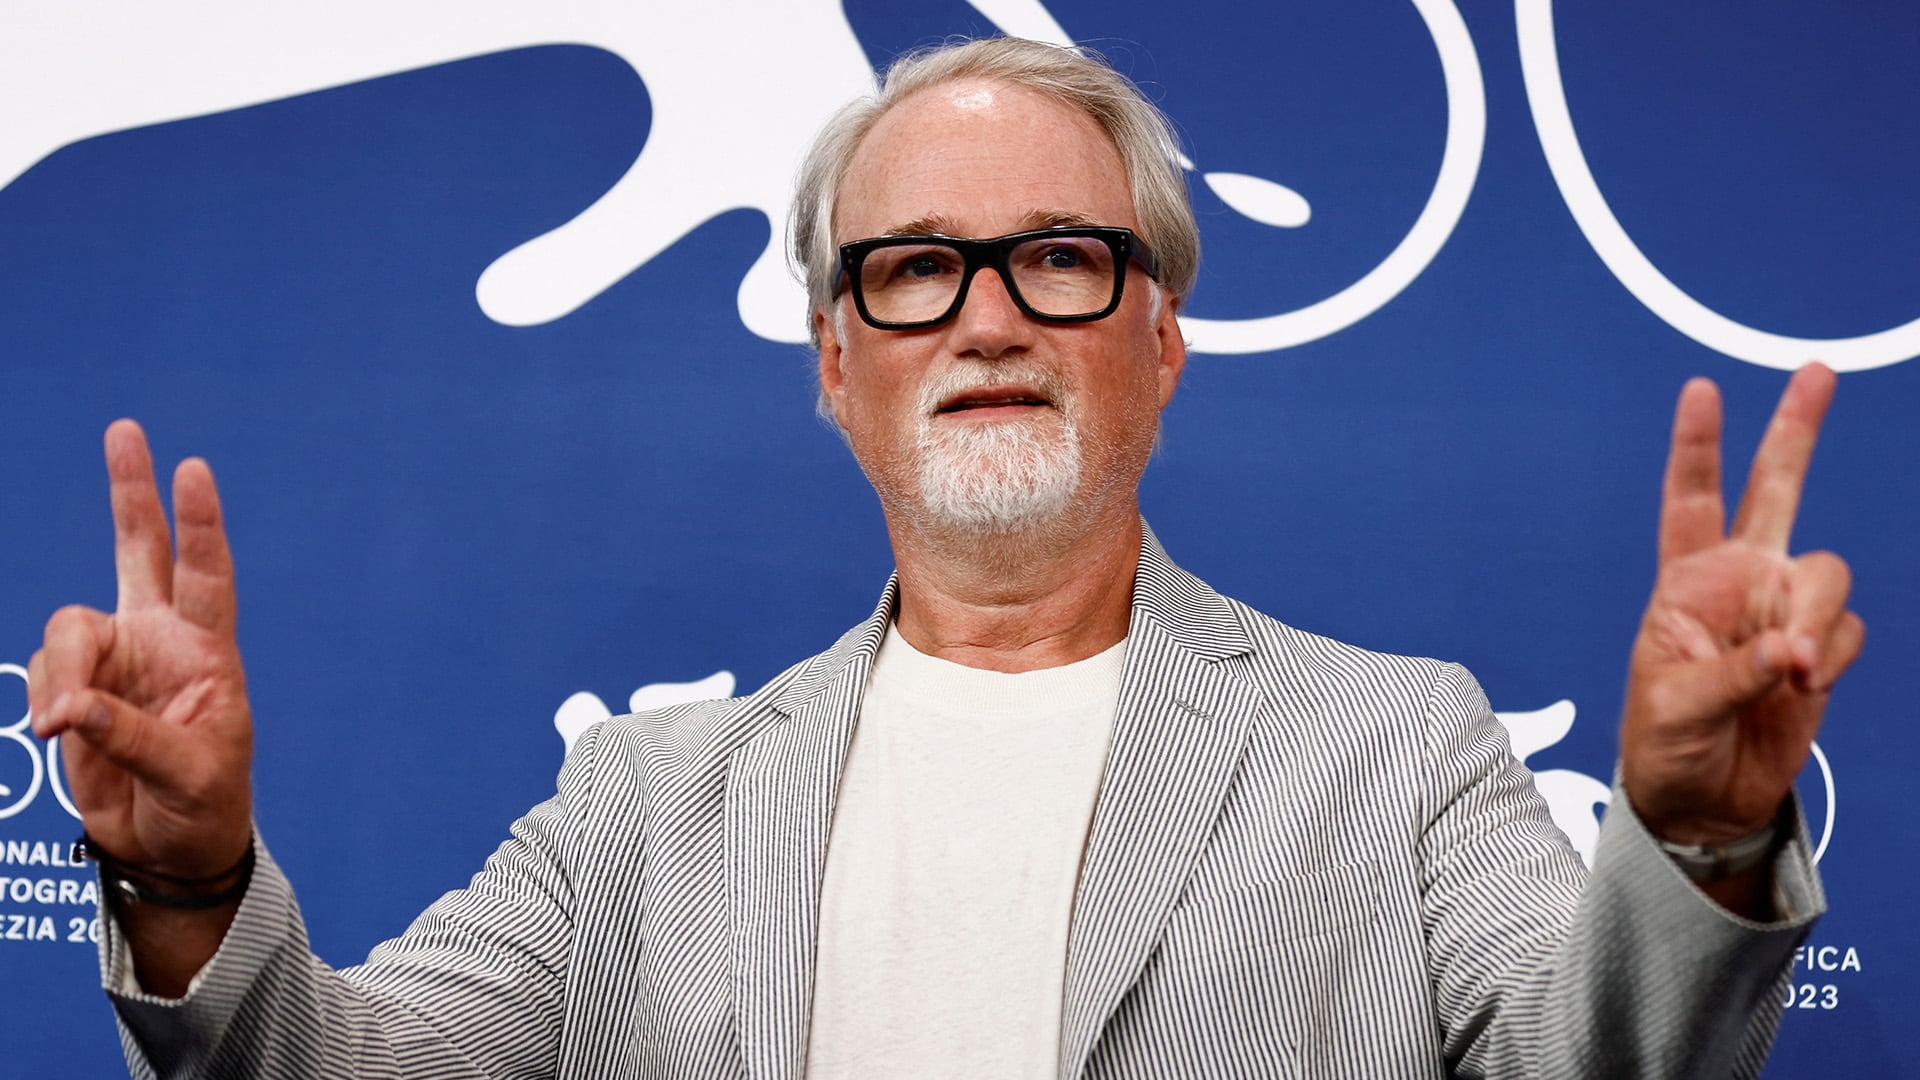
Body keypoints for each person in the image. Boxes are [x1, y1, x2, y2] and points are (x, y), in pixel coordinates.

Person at [29, 37, 1861, 1079]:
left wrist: (1696, 841)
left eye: (1059, 256)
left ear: (1160, 339)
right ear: (839, 363)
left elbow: (1606, 1073)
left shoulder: (1396, 751)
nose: (988, 317)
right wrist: (189, 885)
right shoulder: (640, 810)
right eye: (913, 268)